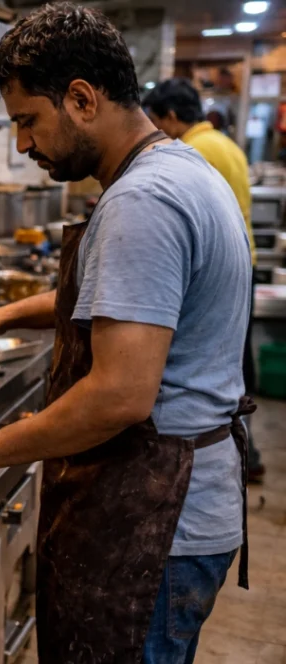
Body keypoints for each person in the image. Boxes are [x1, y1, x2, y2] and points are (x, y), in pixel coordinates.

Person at [0, 4, 254, 663]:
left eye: (26, 121)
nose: (21, 144)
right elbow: (133, 300)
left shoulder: (142, 201)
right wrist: (3, 315)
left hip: (154, 527)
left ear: (81, 98)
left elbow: (119, 396)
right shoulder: (177, 168)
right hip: (179, 511)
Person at [144, 78, 265, 483]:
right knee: (232, 368)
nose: (157, 131)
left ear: (173, 118)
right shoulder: (226, 143)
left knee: (212, 374)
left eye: (157, 121)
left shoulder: (193, 151)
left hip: (210, 268)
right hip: (238, 259)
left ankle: (245, 454)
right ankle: (249, 453)